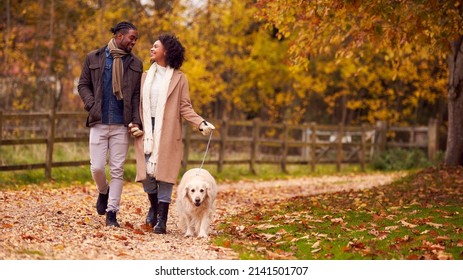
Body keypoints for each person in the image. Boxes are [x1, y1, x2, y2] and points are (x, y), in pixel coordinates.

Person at [131, 34, 214, 234]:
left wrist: (200, 123)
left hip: (168, 132)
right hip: (145, 131)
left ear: (166, 51)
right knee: (147, 176)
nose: (151, 49)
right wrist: (134, 122)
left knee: (165, 176)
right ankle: (154, 206)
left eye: (155, 46)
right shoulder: (143, 77)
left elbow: (185, 107)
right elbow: (136, 103)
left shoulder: (180, 78)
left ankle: (162, 220)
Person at [78, 21, 143, 227]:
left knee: (117, 170)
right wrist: (91, 104)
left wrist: (135, 120)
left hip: (121, 124)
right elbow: (83, 85)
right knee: (97, 168)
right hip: (99, 120)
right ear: (119, 36)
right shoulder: (93, 57)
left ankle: (112, 213)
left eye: (136, 39)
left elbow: (135, 95)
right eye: (131, 38)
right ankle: (103, 191)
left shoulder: (135, 63)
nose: (134, 42)